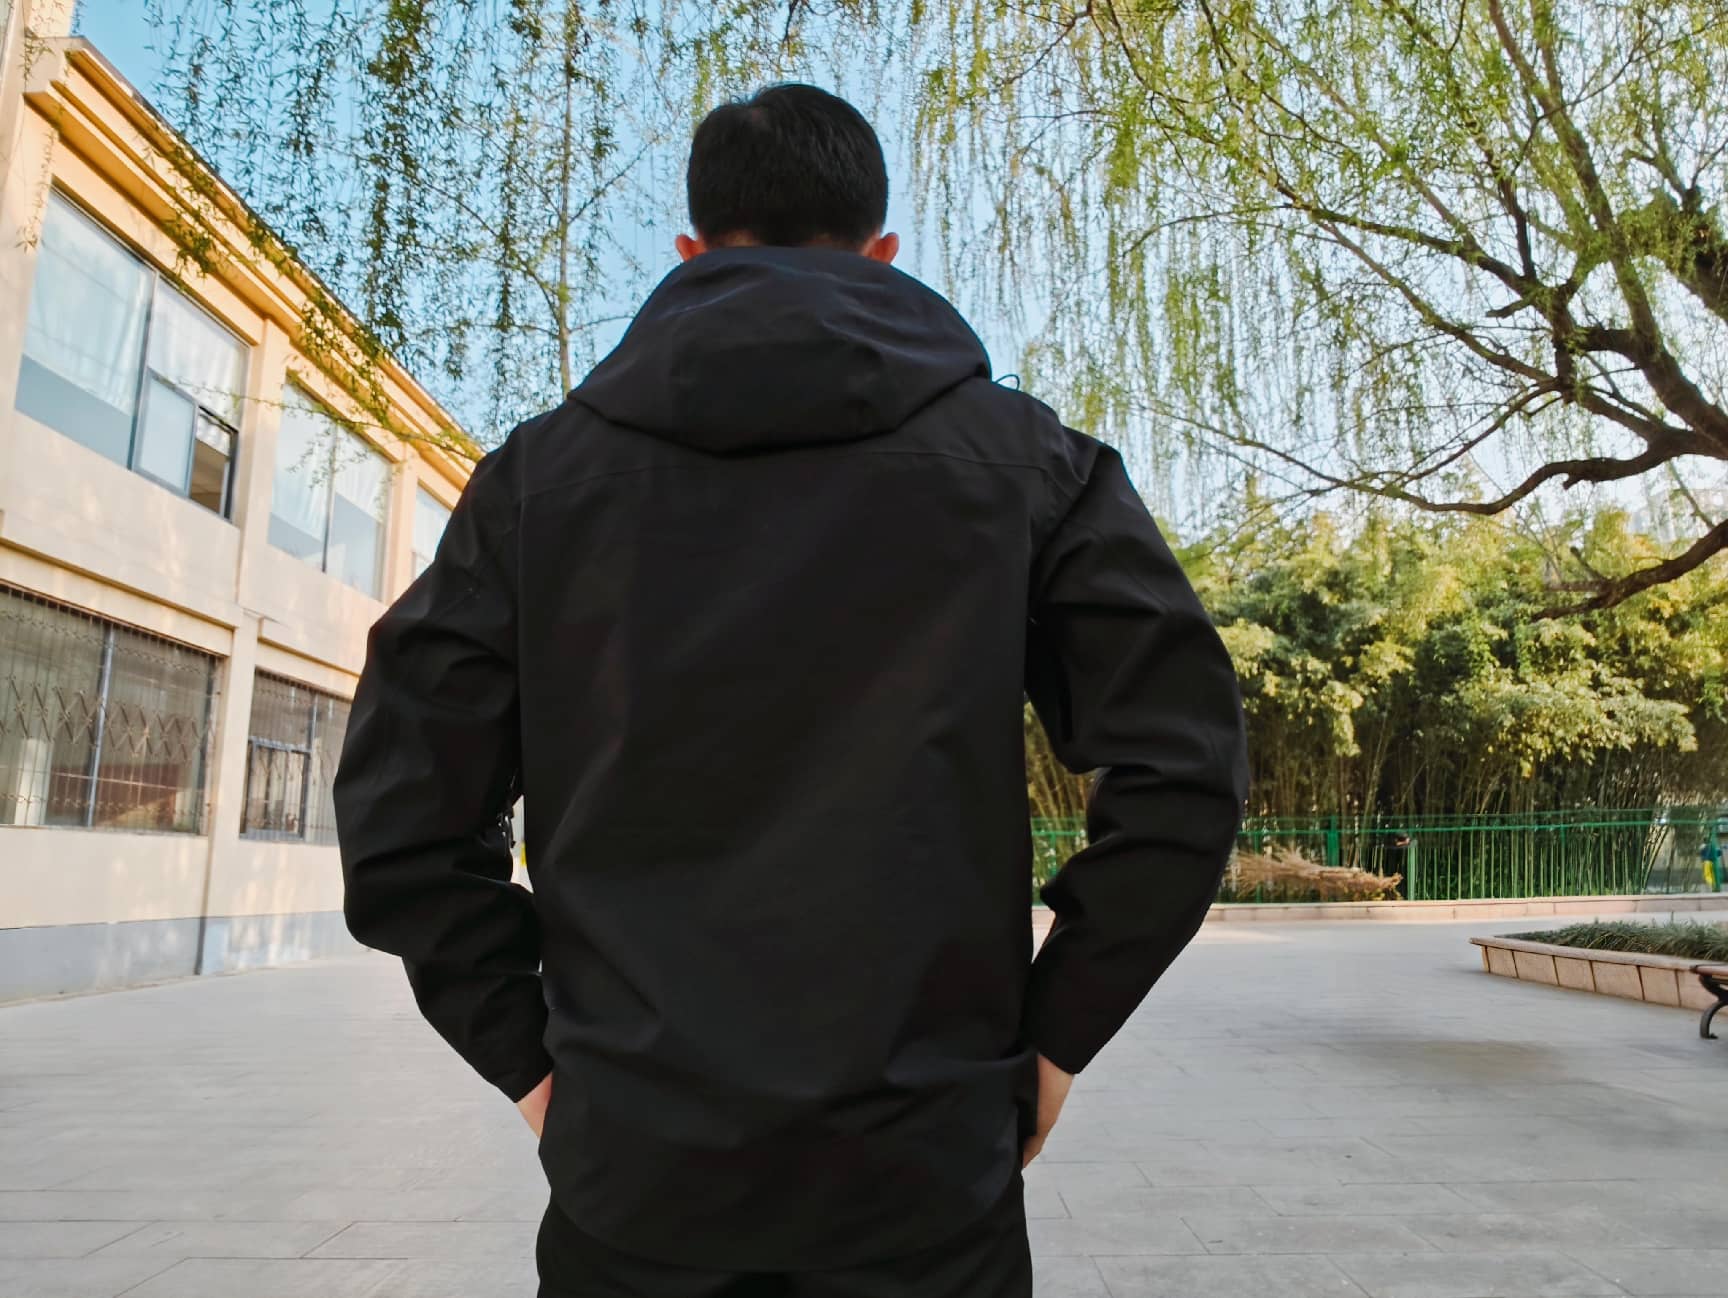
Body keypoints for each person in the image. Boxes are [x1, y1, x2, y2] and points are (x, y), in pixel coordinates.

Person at [335, 83, 1248, 1298]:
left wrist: (536, 1068)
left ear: (691, 251)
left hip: (636, 1181)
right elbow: (1185, 768)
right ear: (882, 252)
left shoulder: (537, 487)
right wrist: (1060, 1032)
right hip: (926, 1176)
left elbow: (403, 817)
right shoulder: (1028, 466)